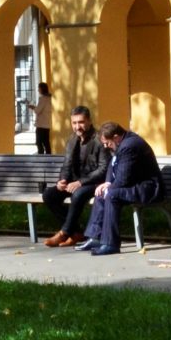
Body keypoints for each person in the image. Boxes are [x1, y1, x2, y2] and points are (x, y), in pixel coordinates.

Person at [80, 120, 159, 256]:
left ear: (116, 137)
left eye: (107, 143)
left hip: (147, 188)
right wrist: (107, 183)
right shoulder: (121, 144)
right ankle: (95, 237)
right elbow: (113, 166)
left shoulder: (130, 145)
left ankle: (111, 244)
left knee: (111, 195)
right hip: (134, 186)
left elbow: (124, 178)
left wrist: (110, 186)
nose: (105, 146)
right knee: (101, 193)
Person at [40, 106, 108, 247]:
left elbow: (103, 169)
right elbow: (67, 164)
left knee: (77, 194)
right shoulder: (72, 140)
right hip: (75, 182)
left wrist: (80, 182)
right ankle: (76, 232)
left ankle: (64, 232)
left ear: (89, 121)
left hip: (96, 183)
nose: (78, 126)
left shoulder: (99, 140)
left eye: (81, 122)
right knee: (49, 195)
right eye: (74, 123)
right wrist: (62, 180)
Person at [32, 80, 55, 156]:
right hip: (47, 124)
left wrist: (32, 107)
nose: (38, 90)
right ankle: (49, 158)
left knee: (39, 142)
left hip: (41, 124)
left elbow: (38, 111)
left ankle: (41, 157)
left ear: (42, 89)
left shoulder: (42, 99)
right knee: (46, 142)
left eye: (39, 88)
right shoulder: (49, 98)